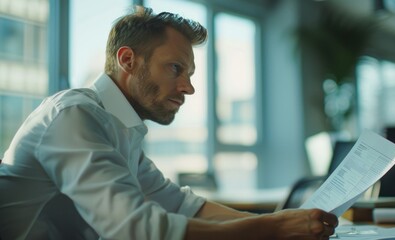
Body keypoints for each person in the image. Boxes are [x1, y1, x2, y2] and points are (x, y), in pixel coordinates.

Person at [0, 6, 338, 240]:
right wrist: (273, 230)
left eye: (189, 74)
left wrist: (277, 222)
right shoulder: (74, 116)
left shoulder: (120, 128)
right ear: (127, 60)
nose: (189, 88)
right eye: (176, 68)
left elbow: (180, 205)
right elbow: (135, 230)